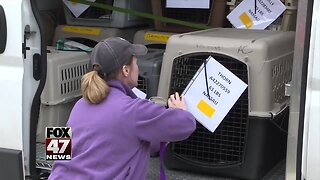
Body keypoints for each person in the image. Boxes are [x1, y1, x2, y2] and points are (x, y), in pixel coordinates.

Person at [49, 37, 196, 180]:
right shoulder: (133, 110)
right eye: (136, 62)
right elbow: (185, 125)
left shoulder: (80, 104)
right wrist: (180, 111)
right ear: (126, 70)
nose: (137, 67)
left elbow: (57, 151)